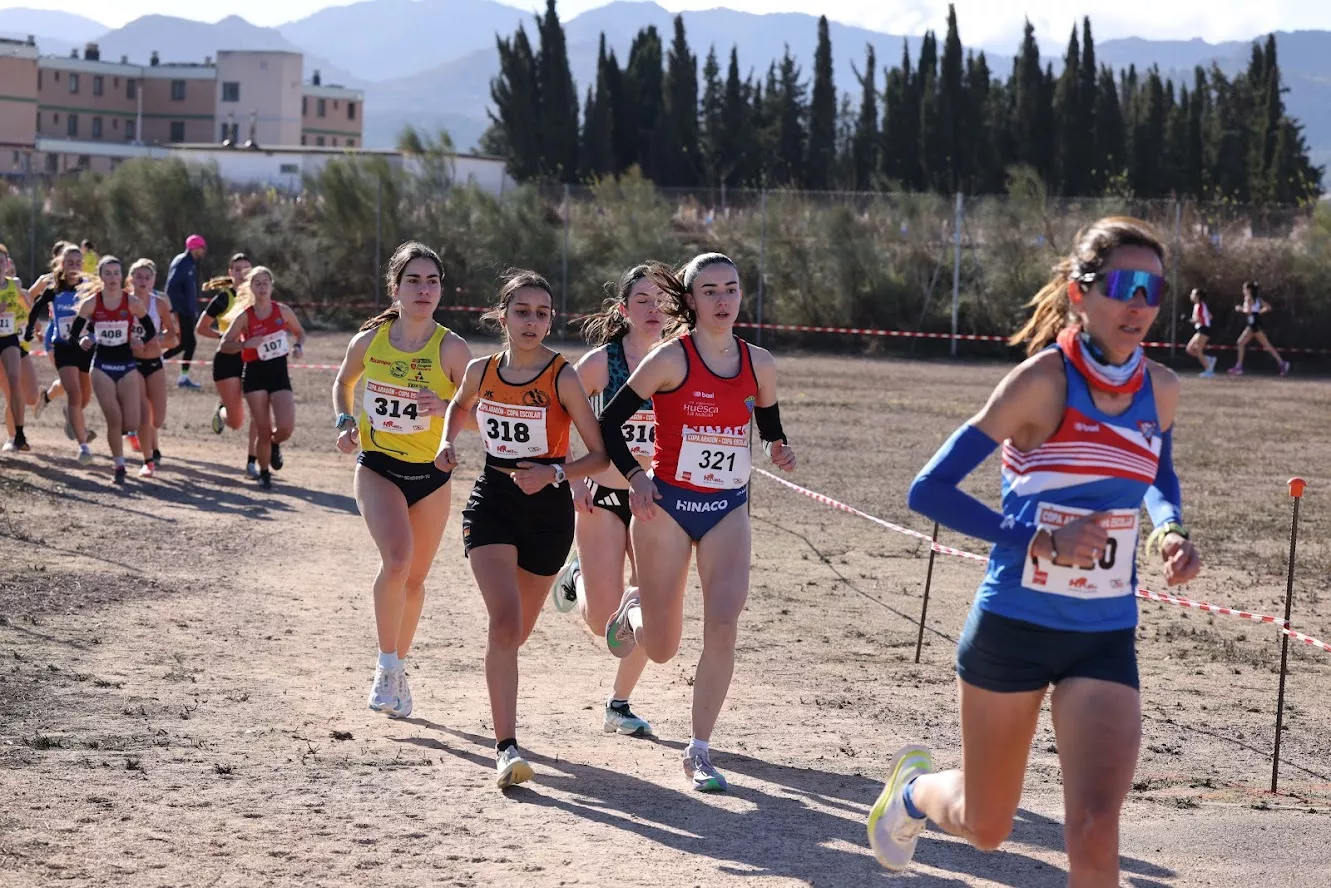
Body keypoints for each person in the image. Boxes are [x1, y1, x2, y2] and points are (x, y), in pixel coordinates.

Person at [866, 217, 1203, 882]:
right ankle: (911, 793)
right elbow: (926, 490)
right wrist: (1038, 538)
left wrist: (1169, 528)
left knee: (1094, 826)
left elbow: (1156, 474)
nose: (1139, 304)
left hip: (1102, 635)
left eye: (1153, 290)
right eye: (1123, 285)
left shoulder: (1159, 388)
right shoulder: (1039, 383)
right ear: (1080, 293)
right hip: (1012, 625)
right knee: (986, 828)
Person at [597, 253, 797, 793]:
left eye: (731, 288)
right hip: (666, 505)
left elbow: (767, 415)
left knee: (725, 622)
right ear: (689, 300)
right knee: (661, 648)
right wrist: (636, 477)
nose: (723, 299)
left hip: (728, 508)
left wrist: (778, 444)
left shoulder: (760, 362)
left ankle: (699, 749)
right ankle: (637, 606)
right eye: (709, 291)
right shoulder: (669, 360)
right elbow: (610, 421)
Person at [433, 269, 609, 790]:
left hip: (549, 512)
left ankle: (564, 577)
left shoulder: (563, 376)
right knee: (505, 624)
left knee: (518, 633)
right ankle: (506, 747)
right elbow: (458, 408)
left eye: (542, 313)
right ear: (502, 315)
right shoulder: (481, 370)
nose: (532, 322)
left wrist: (555, 472)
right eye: (522, 312)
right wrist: (448, 442)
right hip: (492, 502)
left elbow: (598, 456)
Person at [331, 242, 473, 720]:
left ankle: (399, 669)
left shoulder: (453, 349)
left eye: (432, 281)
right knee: (396, 561)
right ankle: (384, 663)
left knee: (414, 581)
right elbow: (342, 382)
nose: (423, 289)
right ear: (395, 288)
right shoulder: (370, 341)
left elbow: (480, 416)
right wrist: (344, 423)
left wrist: (446, 410)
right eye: (413, 280)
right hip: (377, 467)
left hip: (432, 477)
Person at [549, 265, 666, 739]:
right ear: (623, 310)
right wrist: (571, 474)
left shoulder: (681, 360)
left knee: (650, 606)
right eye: (642, 300)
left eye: (661, 300)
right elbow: (556, 409)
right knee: (602, 622)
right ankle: (578, 572)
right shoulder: (602, 363)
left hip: (658, 501)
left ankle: (619, 704)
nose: (653, 309)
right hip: (604, 494)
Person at [68, 256, 156, 484]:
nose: (112, 277)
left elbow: (150, 330)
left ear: (121, 276)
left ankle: (130, 438)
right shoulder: (91, 304)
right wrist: (83, 340)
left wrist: (139, 339)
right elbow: (75, 333)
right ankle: (119, 466)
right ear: (101, 277)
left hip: (127, 365)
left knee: (132, 423)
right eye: (107, 273)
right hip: (101, 366)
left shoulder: (133, 302)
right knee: (114, 419)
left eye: (116, 273)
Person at [218, 266, 306, 489]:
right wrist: (245, 344)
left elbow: (300, 332)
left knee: (285, 427)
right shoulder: (245, 316)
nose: (263, 286)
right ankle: (264, 472)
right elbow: (224, 345)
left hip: (278, 374)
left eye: (266, 282)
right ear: (251, 288)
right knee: (263, 429)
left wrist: (298, 346)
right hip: (254, 374)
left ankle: (275, 444)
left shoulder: (282, 311)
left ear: (272, 286)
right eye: (257, 283)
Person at [24, 243, 95, 461]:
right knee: (73, 392)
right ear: (61, 264)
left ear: (82, 265)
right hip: (62, 346)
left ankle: (70, 417)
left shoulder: (89, 287)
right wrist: (29, 330)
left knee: (84, 396)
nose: (74, 266)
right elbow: (34, 305)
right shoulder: (53, 287)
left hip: (84, 348)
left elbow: (98, 313)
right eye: (69, 263)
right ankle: (83, 445)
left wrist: (91, 332)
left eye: (77, 263)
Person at [197, 254, 261, 477]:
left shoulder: (260, 297)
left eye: (247, 269)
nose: (242, 274)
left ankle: (252, 461)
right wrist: (224, 336)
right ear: (230, 273)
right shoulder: (224, 299)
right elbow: (201, 327)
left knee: (259, 411)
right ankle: (222, 410)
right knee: (236, 422)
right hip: (228, 359)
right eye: (237, 269)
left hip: (255, 359)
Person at [127, 259, 179, 477]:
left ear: (153, 281)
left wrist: (154, 339)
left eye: (147, 277)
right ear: (130, 279)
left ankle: (142, 438)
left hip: (155, 362)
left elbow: (173, 338)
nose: (142, 281)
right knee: (143, 414)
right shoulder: (124, 303)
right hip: (133, 362)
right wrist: (130, 340)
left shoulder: (158, 305)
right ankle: (148, 460)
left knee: (157, 418)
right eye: (138, 277)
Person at [0, 244, 36, 452]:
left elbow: (25, 301)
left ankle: (19, 434)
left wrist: (34, 322)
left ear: (7, 264)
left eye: (1, 261)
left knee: (15, 382)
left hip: (9, 339)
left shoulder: (15, 284)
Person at [164, 233, 206, 389]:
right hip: (181, 311)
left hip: (187, 311)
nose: (203, 251)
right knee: (188, 343)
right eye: (202, 248)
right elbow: (172, 287)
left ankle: (162, 364)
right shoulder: (182, 262)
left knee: (184, 344)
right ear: (195, 248)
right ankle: (162, 364)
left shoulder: (190, 263)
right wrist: (175, 310)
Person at [1227, 281, 1290, 377]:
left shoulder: (1248, 298)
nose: (1243, 291)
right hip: (1255, 323)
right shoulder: (1258, 299)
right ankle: (1282, 363)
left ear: (1249, 290)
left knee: (1241, 343)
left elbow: (1247, 311)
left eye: (1244, 289)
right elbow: (1268, 307)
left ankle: (1239, 367)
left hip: (1253, 325)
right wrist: (1258, 313)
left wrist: (1240, 309)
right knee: (1264, 345)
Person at [1184, 288, 1218, 378]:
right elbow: (1210, 316)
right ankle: (1209, 360)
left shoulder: (1199, 306)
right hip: (1201, 329)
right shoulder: (1199, 305)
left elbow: (1199, 320)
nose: (1191, 296)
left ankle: (1209, 370)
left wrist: (1188, 320)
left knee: (1198, 350)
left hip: (1203, 329)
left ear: (1198, 296)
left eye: (1193, 294)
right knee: (1190, 349)